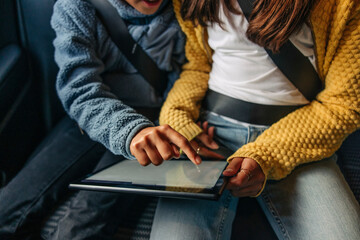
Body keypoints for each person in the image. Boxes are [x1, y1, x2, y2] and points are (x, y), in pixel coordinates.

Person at [148, 0, 360, 239]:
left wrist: (266, 155)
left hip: (300, 141)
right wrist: (176, 117)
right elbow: (198, 65)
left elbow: (344, 104)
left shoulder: (341, 5)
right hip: (211, 136)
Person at [0, 0, 208, 239]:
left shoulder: (188, 7)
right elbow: (80, 88)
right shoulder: (76, 7)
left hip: (158, 120)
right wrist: (131, 131)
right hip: (91, 114)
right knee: (5, 215)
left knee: (80, 228)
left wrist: (187, 118)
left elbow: (196, 69)